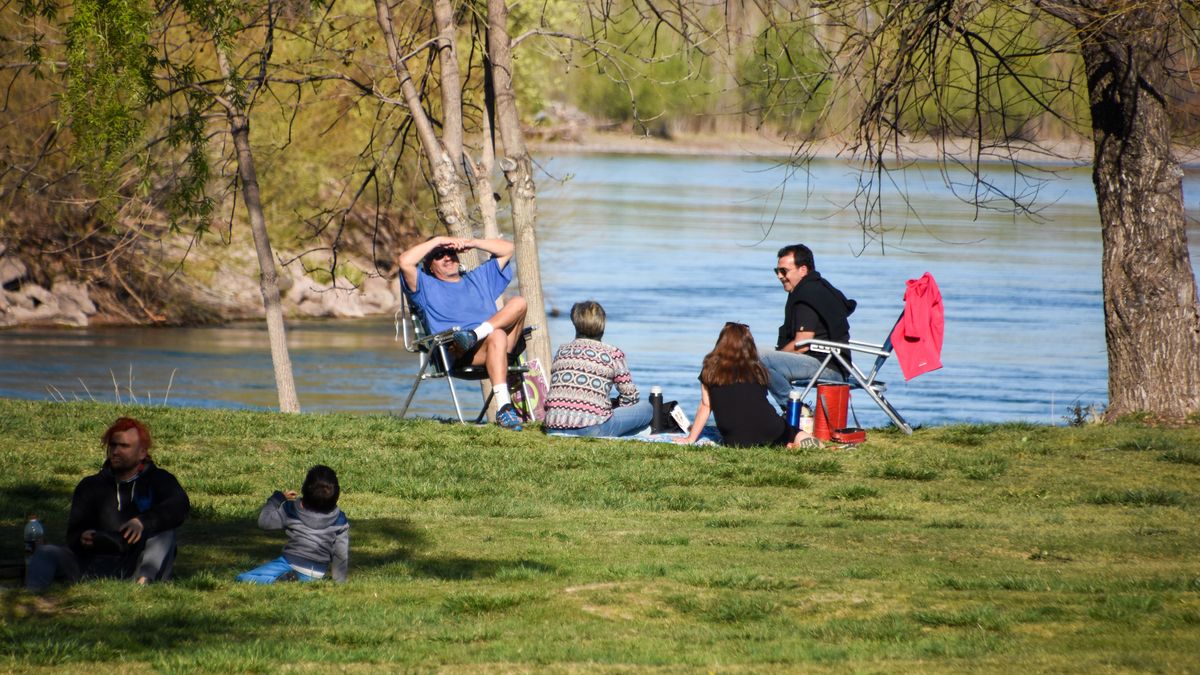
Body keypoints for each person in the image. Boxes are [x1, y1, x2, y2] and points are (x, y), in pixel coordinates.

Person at [25, 417, 190, 593]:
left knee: (165, 535)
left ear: (142, 452)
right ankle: (32, 594)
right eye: (113, 445)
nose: (116, 451)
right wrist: (83, 538)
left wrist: (142, 522)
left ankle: (142, 588)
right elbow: (73, 536)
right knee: (45, 552)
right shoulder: (90, 485)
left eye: (124, 446)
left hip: (134, 562)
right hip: (92, 562)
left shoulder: (160, 480)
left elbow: (179, 506)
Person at [398, 235, 529, 431]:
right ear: (430, 266)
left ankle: (475, 334)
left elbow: (508, 249)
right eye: (439, 255)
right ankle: (504, 407)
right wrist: (439, 240)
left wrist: (473, 243)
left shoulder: (479, 278)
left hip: (496, 346)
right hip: (457, 351)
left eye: (450, 252)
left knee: (519, 302)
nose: (447, 257)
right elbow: (404, 261)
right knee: (498, 335)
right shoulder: (425, 286)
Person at [676, 322, 820, 448]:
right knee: (793, 432)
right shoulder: (758, 368)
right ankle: (813, 444)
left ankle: (789, 443)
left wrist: (691, 439)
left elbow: (706, 406)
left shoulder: (710, 370)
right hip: (769, 428)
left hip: (734, 438)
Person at [759, 244, 857, 408]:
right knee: (757, 360)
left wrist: (775, 357)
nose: (779, 276)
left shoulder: (807, 296)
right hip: (833, 364)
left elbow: (802, 344)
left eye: (784, 271)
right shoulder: (818, 288)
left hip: (826, 368)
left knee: (754, 357)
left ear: (803, 270)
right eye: (777, 271)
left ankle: (794, 408)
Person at [543, 300, 652, 437]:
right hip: (592, 428)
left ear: (575, 324)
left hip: (553, 426)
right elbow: (630, 397)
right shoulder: (613, 354)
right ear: (602, 324)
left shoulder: (562, 350)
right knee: (647, 408)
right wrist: (614, 404)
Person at [236, 465, 349, 584]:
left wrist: (277, 498)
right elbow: (340, 554)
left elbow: (265, 522)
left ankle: (278, 581)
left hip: (289, 562)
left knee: (243, 578)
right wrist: (339, 582)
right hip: (317, 573)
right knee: (303, 580)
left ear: (305, 488)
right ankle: (292, 581)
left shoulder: (292, 510)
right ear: (336, 493)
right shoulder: (340, 519)